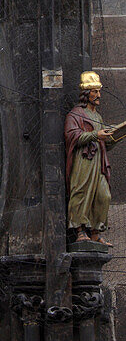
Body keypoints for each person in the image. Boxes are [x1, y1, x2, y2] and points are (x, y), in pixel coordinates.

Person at [65, 71, 119, 244]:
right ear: (86, 93)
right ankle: (80, 230)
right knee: (81, 192)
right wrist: (96, 135)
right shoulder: (76, 114)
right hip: (84, 161)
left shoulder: (97, 116)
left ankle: (96, 231)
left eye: (99, 91)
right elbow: (73, 136)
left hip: (99, 160)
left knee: (104, 196)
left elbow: (104, 141)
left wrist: (115, 137)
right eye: (94, 91)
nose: (98, 95)